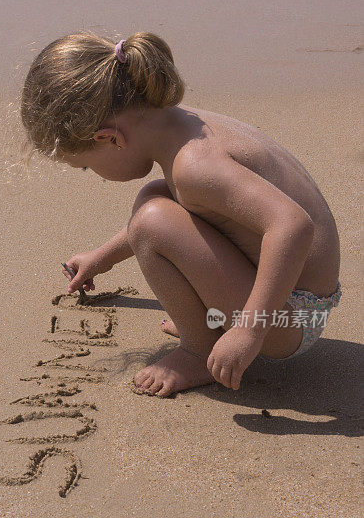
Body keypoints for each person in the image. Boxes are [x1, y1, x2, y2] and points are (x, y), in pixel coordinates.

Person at [20, 31, 341, 397]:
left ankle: (198, 351)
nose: (93, 175)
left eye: (85, 167)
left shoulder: (194, 168)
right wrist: (102, 257)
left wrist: (248, 330)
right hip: (298, 302)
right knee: (157, 197)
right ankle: (211, 323)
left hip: (290, 320)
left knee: (154, 222)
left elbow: (293, 225)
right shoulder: (183, 126)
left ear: (108, 137)